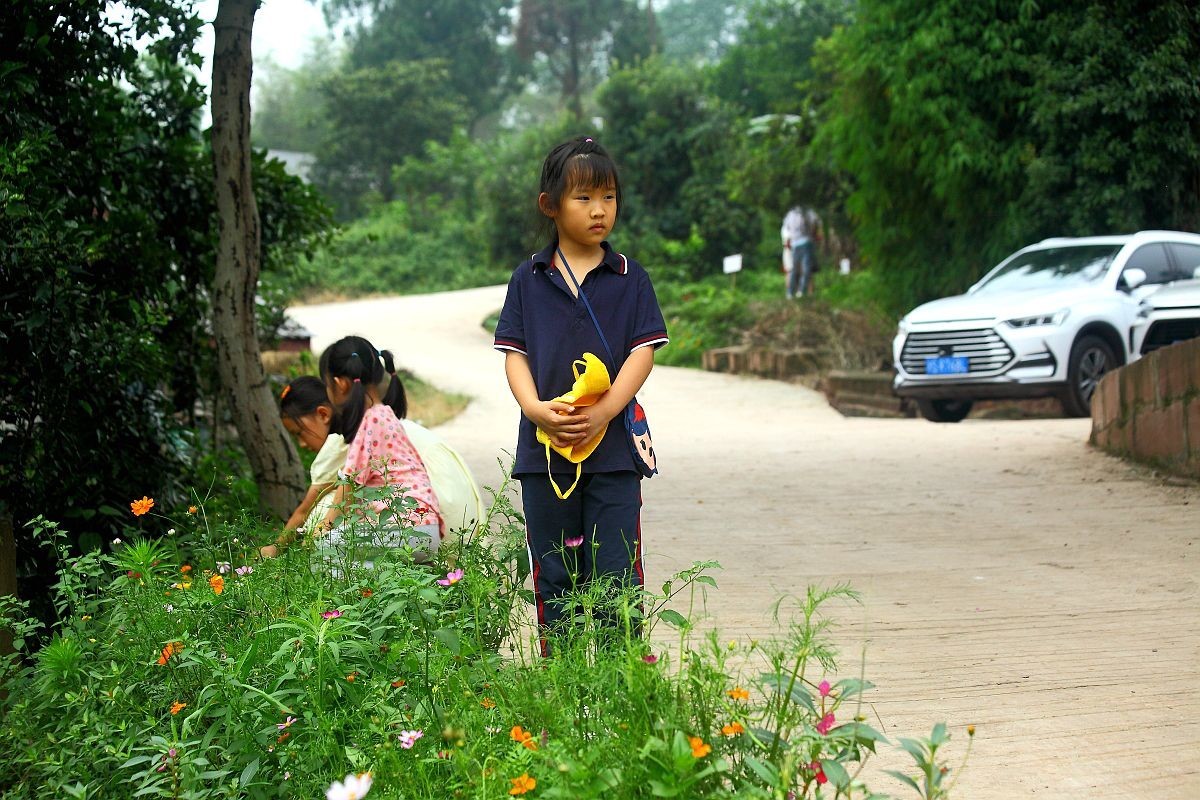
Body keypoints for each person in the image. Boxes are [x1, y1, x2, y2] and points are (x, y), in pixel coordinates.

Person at [493, 136, 669, 653]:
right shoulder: (528, 278)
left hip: (613, 455)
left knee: (616, 579)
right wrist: (535, 411)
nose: (599, 211)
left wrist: (607, 412)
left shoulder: (630, 278)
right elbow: (514, 354)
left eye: (609, 197)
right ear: (550, 205)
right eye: (584, 198)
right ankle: (564, 689)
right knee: (556, 578)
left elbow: (643, 352)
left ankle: (622, 686)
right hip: (544, 455)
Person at [316, 336, 442, 562]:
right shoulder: (384, 414)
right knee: (363, 562)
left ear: (340, 383)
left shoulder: (371, 421)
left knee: (326, 549)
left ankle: (356, 596)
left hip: (404, 529)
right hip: (423, 527)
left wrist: (322, 529)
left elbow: (349, 486)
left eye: (326, 384)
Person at [260, 377, 348, 559]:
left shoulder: (336, 445)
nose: (301, 444)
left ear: (323, 414)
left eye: (299, 433)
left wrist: (276, 548)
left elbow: (304, 510)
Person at [781, 205, 821, 299]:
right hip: (799, 245)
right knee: (802, 269)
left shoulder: (790, 215)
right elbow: (817, 226)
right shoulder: (809, 213)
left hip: (796, 245)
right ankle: (797, 292)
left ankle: (796, 293)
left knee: (799, 269)